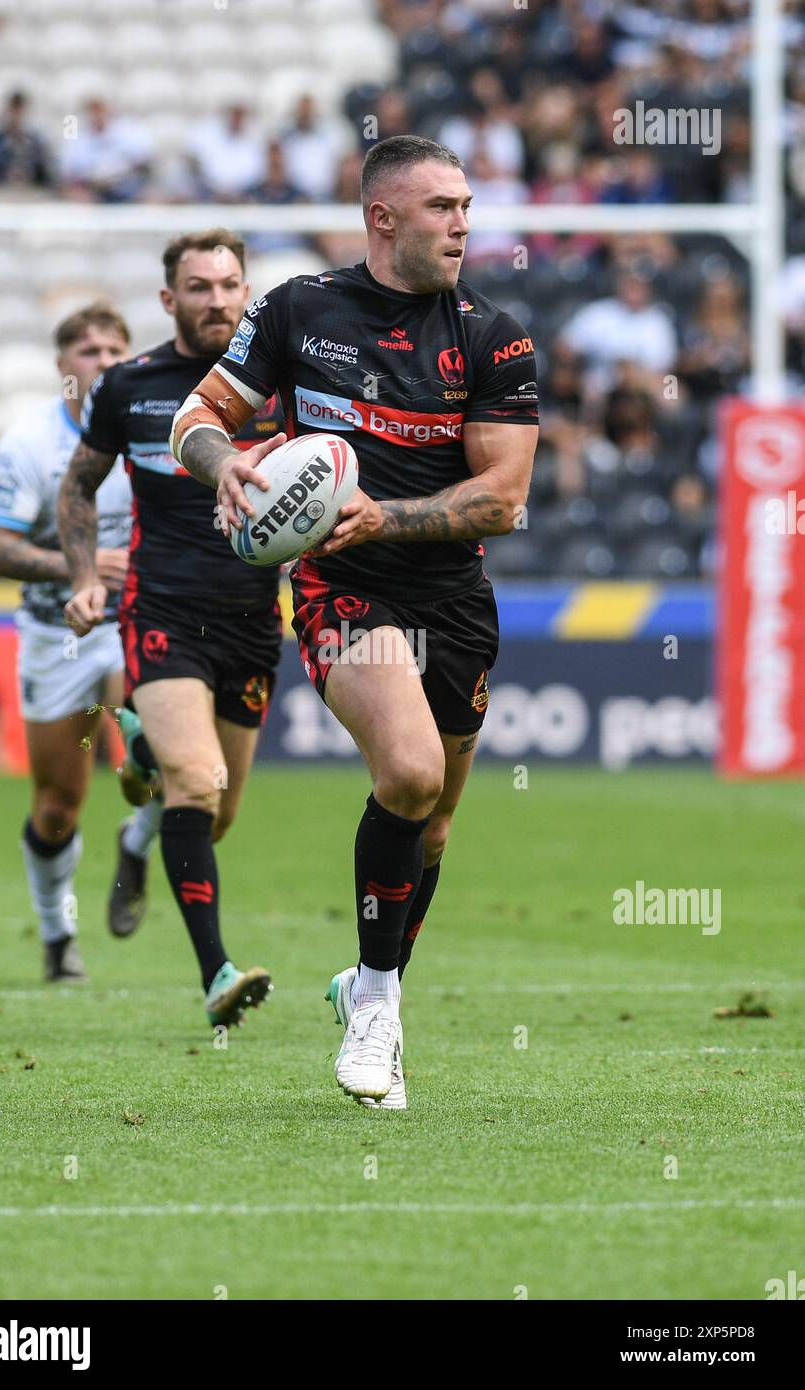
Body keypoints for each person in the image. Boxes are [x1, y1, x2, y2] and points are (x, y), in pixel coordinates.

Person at [170, 136, 539, 1108]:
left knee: (437, 822)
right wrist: (227, 468)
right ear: (382, 217)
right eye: (439, 207)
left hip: (450, 595)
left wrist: (391, 513)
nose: (461, 222)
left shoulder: (492, 336)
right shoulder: (298, 308)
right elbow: (197, 419)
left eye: (465, 205)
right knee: (409, 773)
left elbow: (502, 498)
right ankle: (377, 1004)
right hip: (343, 584)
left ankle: (365, 978)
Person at [57, 230, 284, 1033]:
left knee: (214, 815)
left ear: (246, 293)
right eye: (199, 287)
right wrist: (86, 578)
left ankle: (136, 829)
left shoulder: (280, 384)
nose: (217, 300)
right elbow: (78, 490)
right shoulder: (131, 386)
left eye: (229, 285)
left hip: (255, 624)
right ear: (169, 301)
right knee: (198, 784)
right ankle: (216, 974)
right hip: (162, 615)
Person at [0, 302, 145, 981]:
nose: (102, 362)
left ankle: (139, 840)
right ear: (62, 367)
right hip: (56, 634)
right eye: (88, 352)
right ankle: (57, 934)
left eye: (113, 351)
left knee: (156, 758)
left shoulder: (158, 432)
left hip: (138, 627)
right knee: (55, 808)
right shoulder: (28, 443)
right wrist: (80, 568)